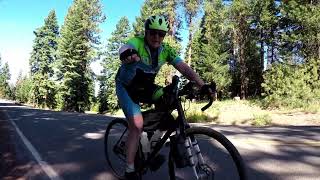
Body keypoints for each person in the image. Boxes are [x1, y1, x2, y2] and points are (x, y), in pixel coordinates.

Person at [116, 15, 214, 180]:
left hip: (145, 88)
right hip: (126, 88)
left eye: (161, 34)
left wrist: (202, 85)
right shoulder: (137, 43)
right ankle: (129, 169)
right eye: (153, 33)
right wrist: (127, 53)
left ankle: (148, 146)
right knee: (137, 125)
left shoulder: (165, 50)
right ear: (146, 33)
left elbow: (184, 68)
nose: (156, 37)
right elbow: (124, 47)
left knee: (168, 106)